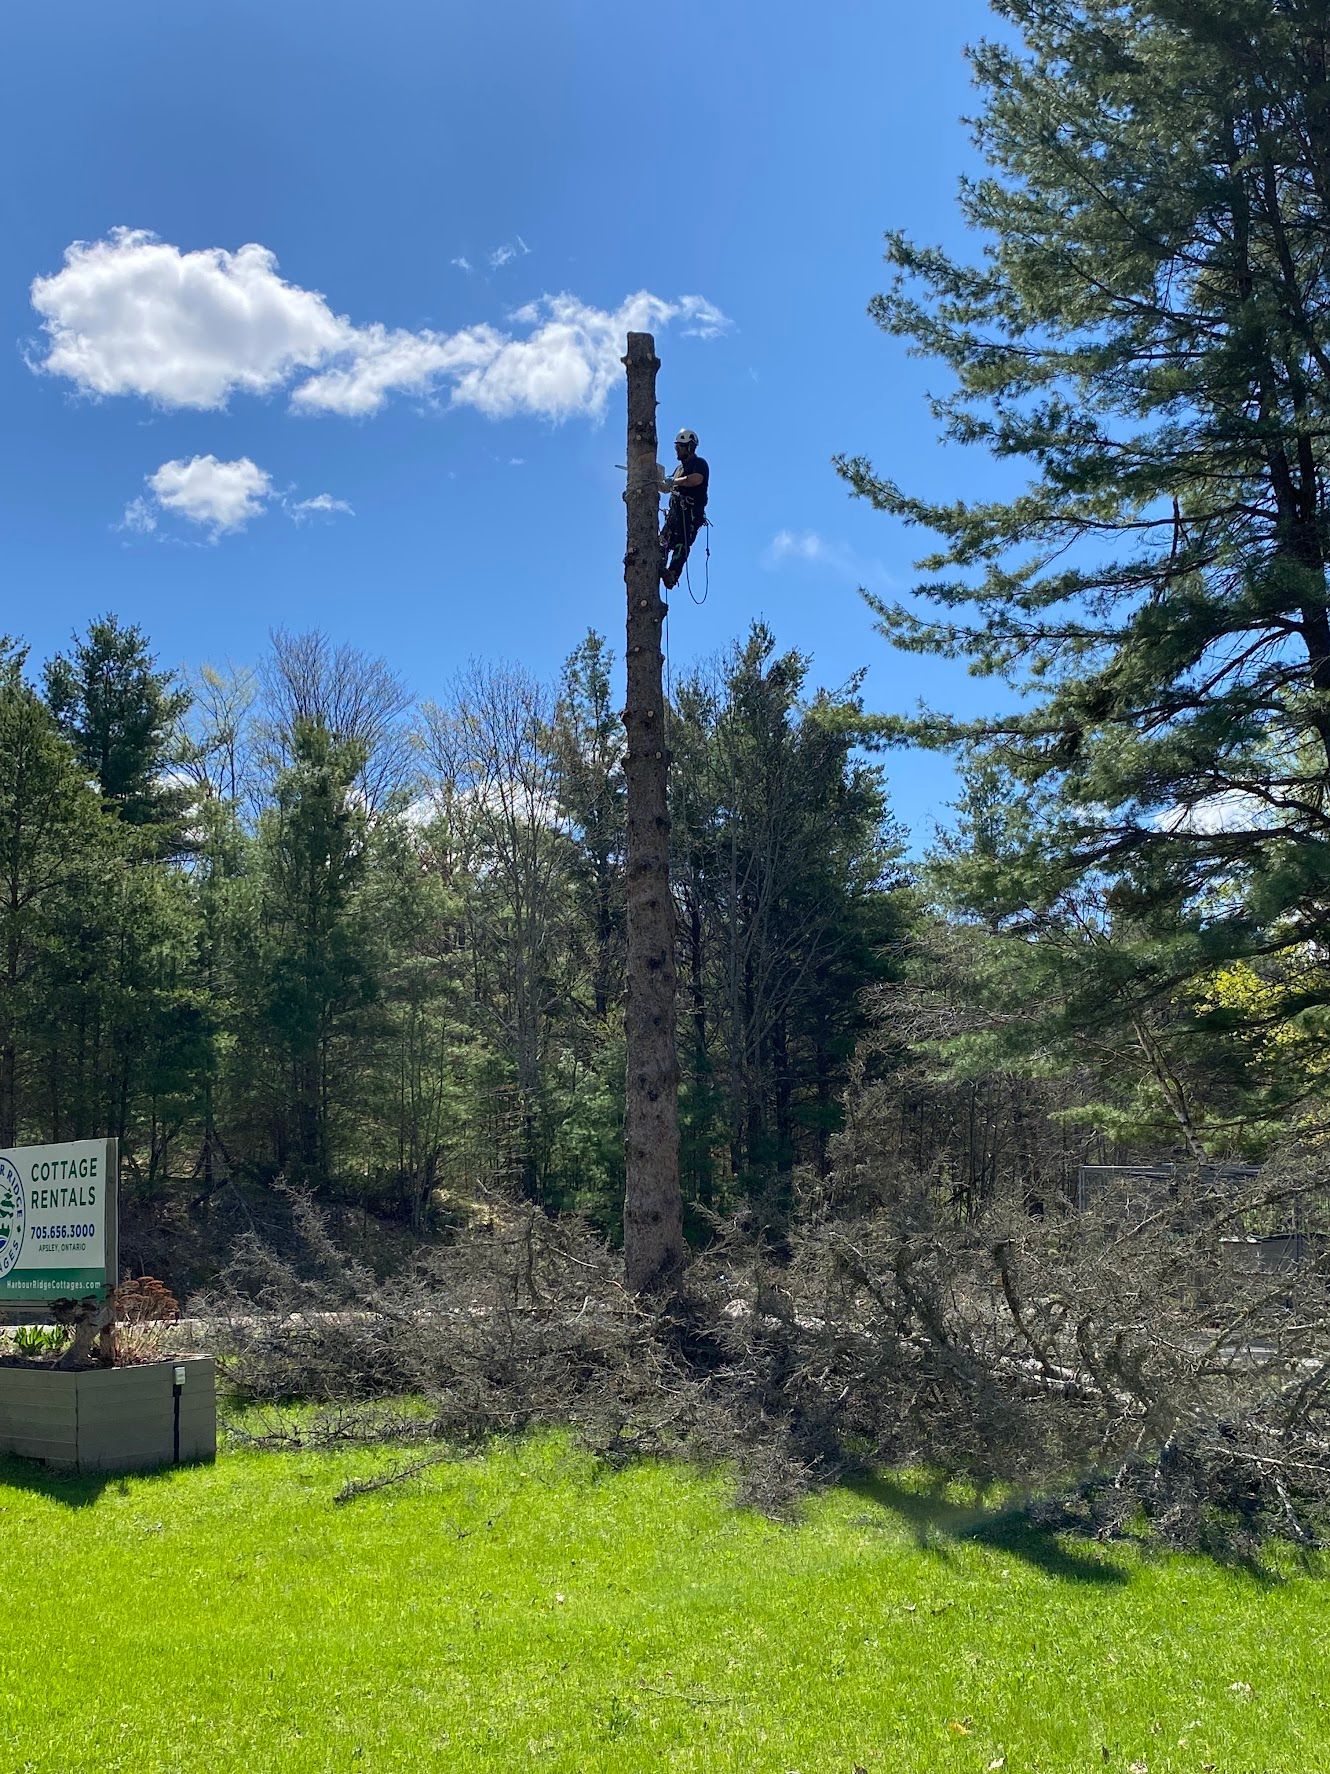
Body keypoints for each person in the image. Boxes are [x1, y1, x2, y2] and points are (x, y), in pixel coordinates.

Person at [659, 427, 709, 590]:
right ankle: (656, 565)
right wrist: (663, 485)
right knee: (662, 542)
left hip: (690, 516)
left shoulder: (699, 464)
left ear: (689, 447)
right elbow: (672, 485)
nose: (677, 451)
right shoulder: (678, 470)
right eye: (676, 447)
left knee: (681, 545)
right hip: (675, 515)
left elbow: (695, 480)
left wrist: (674, 481)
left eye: (679, 447)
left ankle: (672, 575)